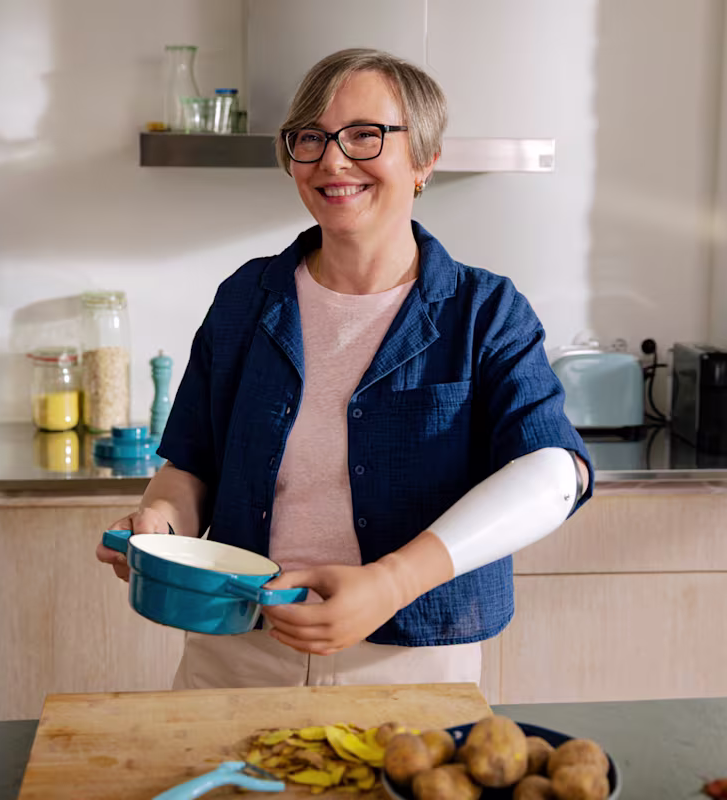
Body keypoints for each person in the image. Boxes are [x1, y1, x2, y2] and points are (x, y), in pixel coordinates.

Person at [96, 48, 592, 690]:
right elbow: (191, 466)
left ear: (424, 159)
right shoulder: (246, 299)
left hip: (410, 662)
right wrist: (158, 533)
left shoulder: (486, 311)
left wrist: (390, 582)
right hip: (237, 651)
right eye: (312, 137)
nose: (333, 159)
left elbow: (556, 469)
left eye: (366, 135)